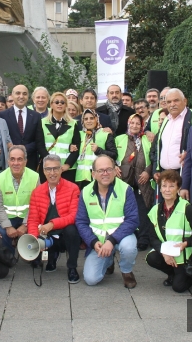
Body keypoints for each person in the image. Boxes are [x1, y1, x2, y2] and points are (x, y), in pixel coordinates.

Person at [75, 155, 139, 288]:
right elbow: (81, 221)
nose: (105, 173)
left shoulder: (126, 189)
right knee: (91, 279)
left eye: (109, 169)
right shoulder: (85, 192)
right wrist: (92, 242)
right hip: (98, 240)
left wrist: (111, 240)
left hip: (121, 237)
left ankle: (126, 271)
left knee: (129, 247)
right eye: (100, 170)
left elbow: (132, 220)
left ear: (115, 171)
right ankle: (108, 261)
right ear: (93, 174)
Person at [27, 155, 82, 283]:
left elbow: (74, 215)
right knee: (36, 234)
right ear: (44, 171)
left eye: (56, 168)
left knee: (72, 230)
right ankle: (52, 256)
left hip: (63, 232)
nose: (52, 173)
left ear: (61, 169)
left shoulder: (73, 188)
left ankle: (72, 267)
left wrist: (51, 224)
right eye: (48, 169)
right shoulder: (37, 192)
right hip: (47, 233)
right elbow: (33, 220)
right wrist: (35, 240)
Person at [146, 170, 192, 292]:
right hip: (167, 255)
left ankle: (191, 277)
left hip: (184, 256)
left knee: (178, 288)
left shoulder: (187, 208)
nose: (167, 190)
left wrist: (186, 243)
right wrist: (164, 253)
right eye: (164, 186)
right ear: (160, 188)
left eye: (172, 186)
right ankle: (172, 274)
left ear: (178, 189)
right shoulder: (155, 210)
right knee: (151, 258)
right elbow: (152, 237)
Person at [115, 114, 153, 251]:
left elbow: (154, 157)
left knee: (142, 209)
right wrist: (114, 166)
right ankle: (124, 236)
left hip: (142, 181)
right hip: (124, 180)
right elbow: (112, 155)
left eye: (138, 123)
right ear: (128, 124)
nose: (135, 126)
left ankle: (143, 238)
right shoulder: (119, 139)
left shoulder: (147, 139)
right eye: (132, 123)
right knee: (124, 210)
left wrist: (148, 171)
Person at [150, 89, 192, 182]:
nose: (172, 104)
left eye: (176, 100)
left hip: (185, 174)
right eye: (169, 102)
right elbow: (159, 147)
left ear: (185, 101)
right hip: (164, 173)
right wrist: (156, 169)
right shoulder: (166, 120)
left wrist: (190, 153)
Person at [0, 146, 39, 253]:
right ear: (8, 161)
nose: (16, 163)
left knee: (36, 230)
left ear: (25, 161)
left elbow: (37, 204)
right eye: (12, 159)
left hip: (28, 217)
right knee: (1, 232)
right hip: (8, 218)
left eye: (20, 159)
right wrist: (7, 226)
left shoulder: (35, 177)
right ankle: (9, 257)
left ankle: (32, 255)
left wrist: (25, 225)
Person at [38, 91, 82, 183]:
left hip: (66, 169)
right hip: (48, 168)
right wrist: (51, 164)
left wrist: (67, 165)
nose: (59, 104)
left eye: (62, 102)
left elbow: (77, 146)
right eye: (57, 102)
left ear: (66, 105)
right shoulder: (42, 122)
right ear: (51, 105)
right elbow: (40, 145)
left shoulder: (73, 124)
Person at [0, 84, 43, 171]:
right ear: (12, 95)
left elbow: (39, 140)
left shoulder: (35, 116)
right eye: (18, 93)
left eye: (24, 94)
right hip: (10, 162)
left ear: (28, 96)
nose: (21, 96)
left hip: (30, 162)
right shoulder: (2, 115)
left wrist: (24, 148)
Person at [74, 109, 116, 190]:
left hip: (98, 178)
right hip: (81, 179)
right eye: (86, 119)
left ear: (96, 119)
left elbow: (114, 155)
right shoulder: (79, 134)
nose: (89, 121)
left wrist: (99, 151)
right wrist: (71, 147)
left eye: (92, 118)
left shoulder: (105, 134)